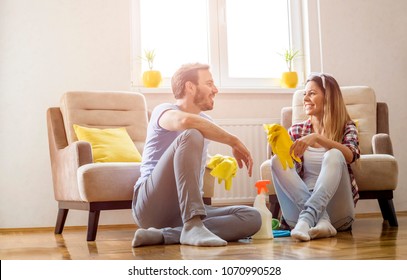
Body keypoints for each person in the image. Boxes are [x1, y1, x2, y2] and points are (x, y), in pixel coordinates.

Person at [132, 63, 261, 247]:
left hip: (185, 208)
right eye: (209, 83)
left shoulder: (206, 122)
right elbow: (185, 121)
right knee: (192, 133)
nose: (215, 89)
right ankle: (192, 226)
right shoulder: (164, 111)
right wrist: (233, 141)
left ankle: (165, 235)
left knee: (252, 217)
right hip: (151, 205)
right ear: (190, 87)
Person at [270, 73, 360, 242]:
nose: (305, 98)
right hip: (298, 212)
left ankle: (310, 220)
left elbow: (350, 155)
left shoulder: (347, 127)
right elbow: (285, 171)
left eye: (311, 93)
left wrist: (318, 138)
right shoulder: (296, 131)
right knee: (276, 161)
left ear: (329, 97)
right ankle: (320, 221)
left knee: (334, 154)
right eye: (305, 94)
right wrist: (278, 145)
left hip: (338, 214)